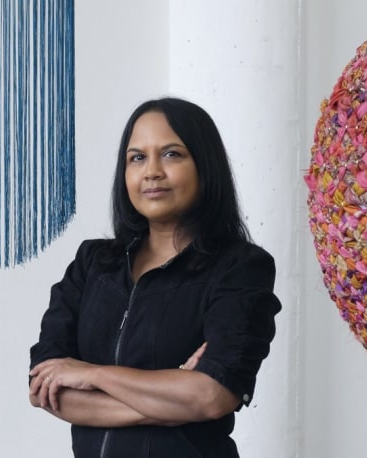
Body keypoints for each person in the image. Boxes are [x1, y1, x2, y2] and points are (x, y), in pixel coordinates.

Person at [29, 97, 282, 457]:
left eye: (171, 154)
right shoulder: (93, 263)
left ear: (204, 165)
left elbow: (212, 397)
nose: (151, 172)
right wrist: (171, 404)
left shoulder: (239, 268)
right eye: (137, 157)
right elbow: (47, 388)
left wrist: (92, 374)